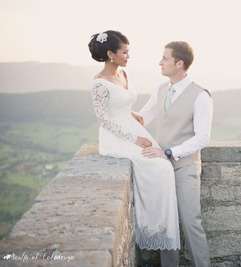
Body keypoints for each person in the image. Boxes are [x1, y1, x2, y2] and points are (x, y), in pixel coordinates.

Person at [88, 30, 180, 253]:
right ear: (110, 53)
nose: (128, 56)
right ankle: (150, 224)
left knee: (164, 166)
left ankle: (156, 224)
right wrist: (134, 138)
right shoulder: (99, 83)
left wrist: (136, 118)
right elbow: (104, 119)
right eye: (125, 52)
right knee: (157, 167)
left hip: (133, 128)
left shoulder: (124, 75)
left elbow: (123, 108)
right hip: (117, 137)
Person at [136, 41, 213, 267]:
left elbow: (202, 138)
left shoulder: (201, 96)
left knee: (191, 222)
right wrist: (115, 113)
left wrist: (169, 152)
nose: (160, 62)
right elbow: (143, 118)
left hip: (185, 166)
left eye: (165, 58)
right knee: (165, 224)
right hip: (161, 168)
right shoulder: (160, 89)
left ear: (179, 63)